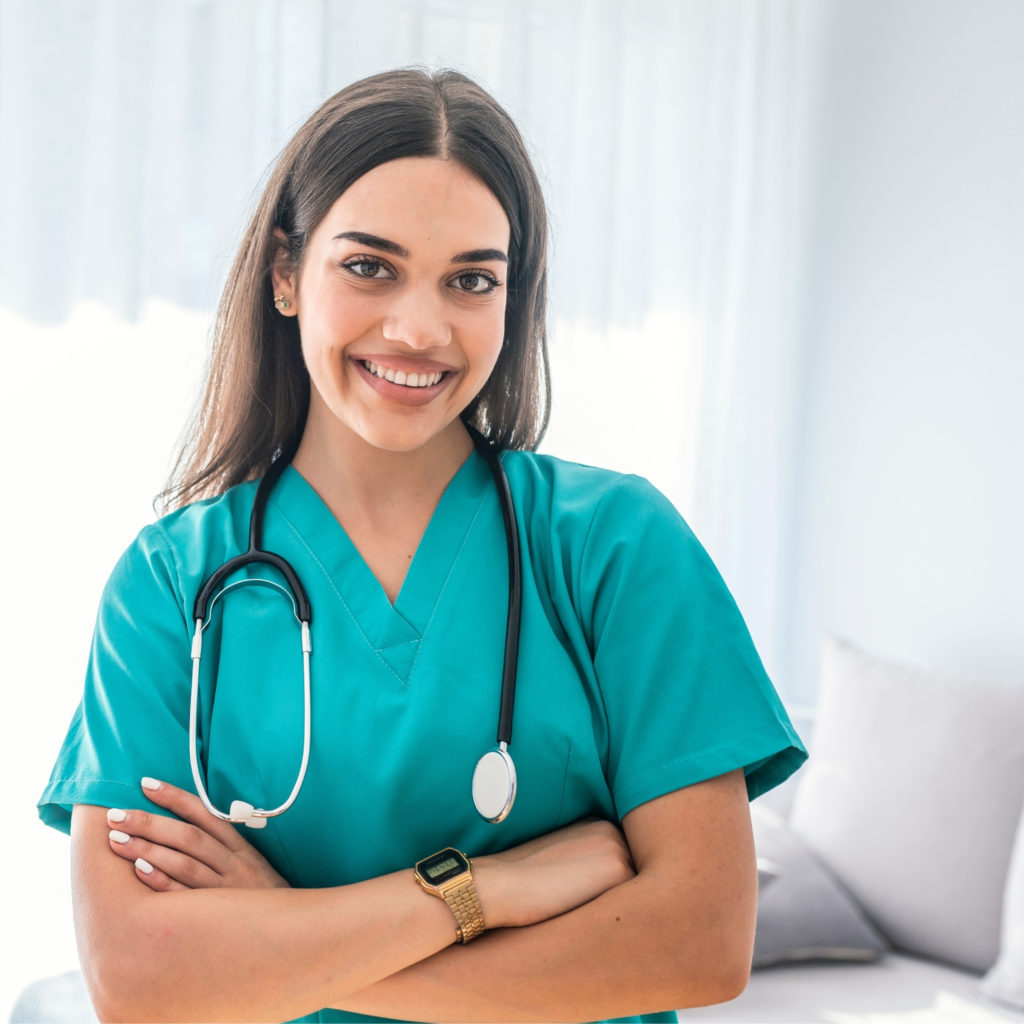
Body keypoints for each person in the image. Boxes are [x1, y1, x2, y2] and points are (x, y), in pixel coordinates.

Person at [38, 68, 806, 1024]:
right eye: (370, 266)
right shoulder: (168, 586)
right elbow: (139, 983)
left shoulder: (616, 547)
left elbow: (700, 942)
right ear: (286, 273)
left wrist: (284, 942)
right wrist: (480, 891)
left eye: (471, 279)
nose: (420, 327)